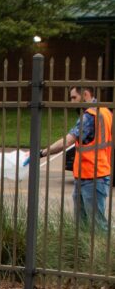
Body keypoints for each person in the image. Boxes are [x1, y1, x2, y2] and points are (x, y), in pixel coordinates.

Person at [39, 85, 112, 231]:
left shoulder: (89, 117)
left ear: (85, 94)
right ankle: (84, 254)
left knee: (97, 227)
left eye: (74, 97)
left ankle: (102, 254)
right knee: (83, 227)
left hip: (92, 177)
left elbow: (67, 141)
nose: (71, 102)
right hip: (89, 175)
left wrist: (43, 152)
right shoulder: (105, 111)